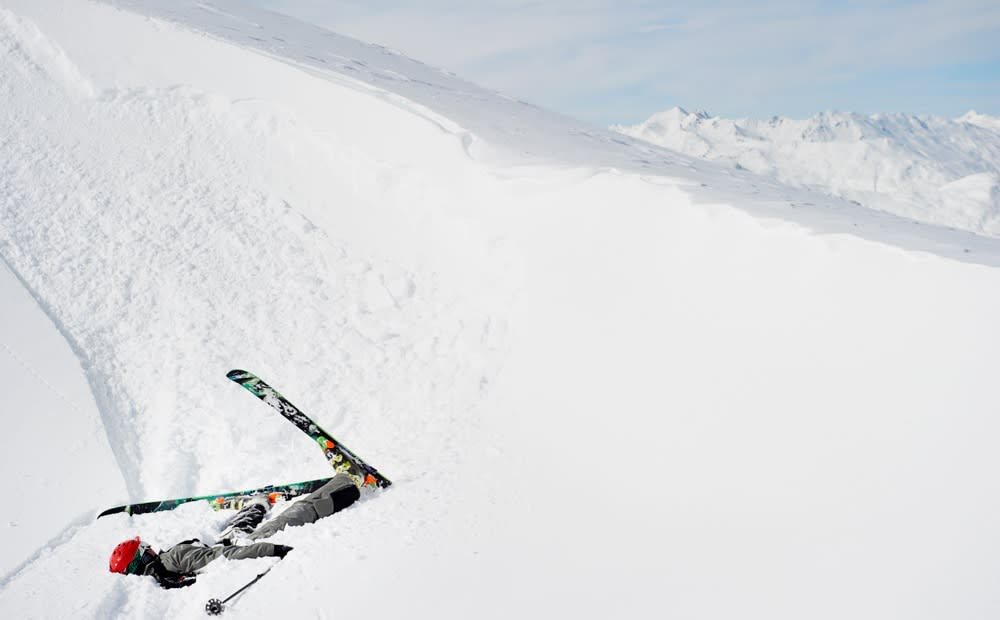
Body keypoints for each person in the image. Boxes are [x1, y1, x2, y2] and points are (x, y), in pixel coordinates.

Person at [108, 473, 360, 588]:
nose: (152, 547)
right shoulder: (171, 559)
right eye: (146, 548)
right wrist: (273, 549)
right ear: (142, 557)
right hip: (239, 545)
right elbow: (224, 557)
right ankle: (348, 484)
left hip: (228, 542)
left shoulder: (161, 578)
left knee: (239, 527)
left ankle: (256, 506)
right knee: (291, 516)